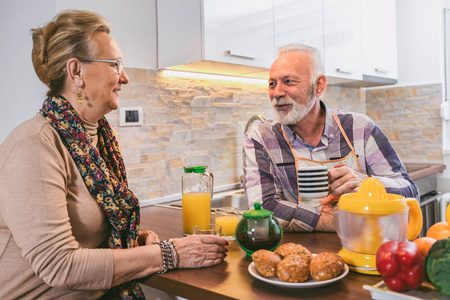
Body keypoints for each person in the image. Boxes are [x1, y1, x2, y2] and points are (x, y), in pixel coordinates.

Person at [0, 10, 228, 300]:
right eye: (115, 64)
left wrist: (134, 241)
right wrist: (168, 254)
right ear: (76, 72)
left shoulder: (96, 139)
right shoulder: (33, 145)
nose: (125, 77)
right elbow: (59, 266)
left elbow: (88, 237)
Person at [243, 44, 419, 233]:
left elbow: (410, 192)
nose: (276, 93)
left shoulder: (360, 128)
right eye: (272, 84)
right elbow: (262, 209)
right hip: (301, 255)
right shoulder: (260, 137)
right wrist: (336, 221)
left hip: (366, 245)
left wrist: (368, 183)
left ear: (318, 86)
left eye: (289, 81)